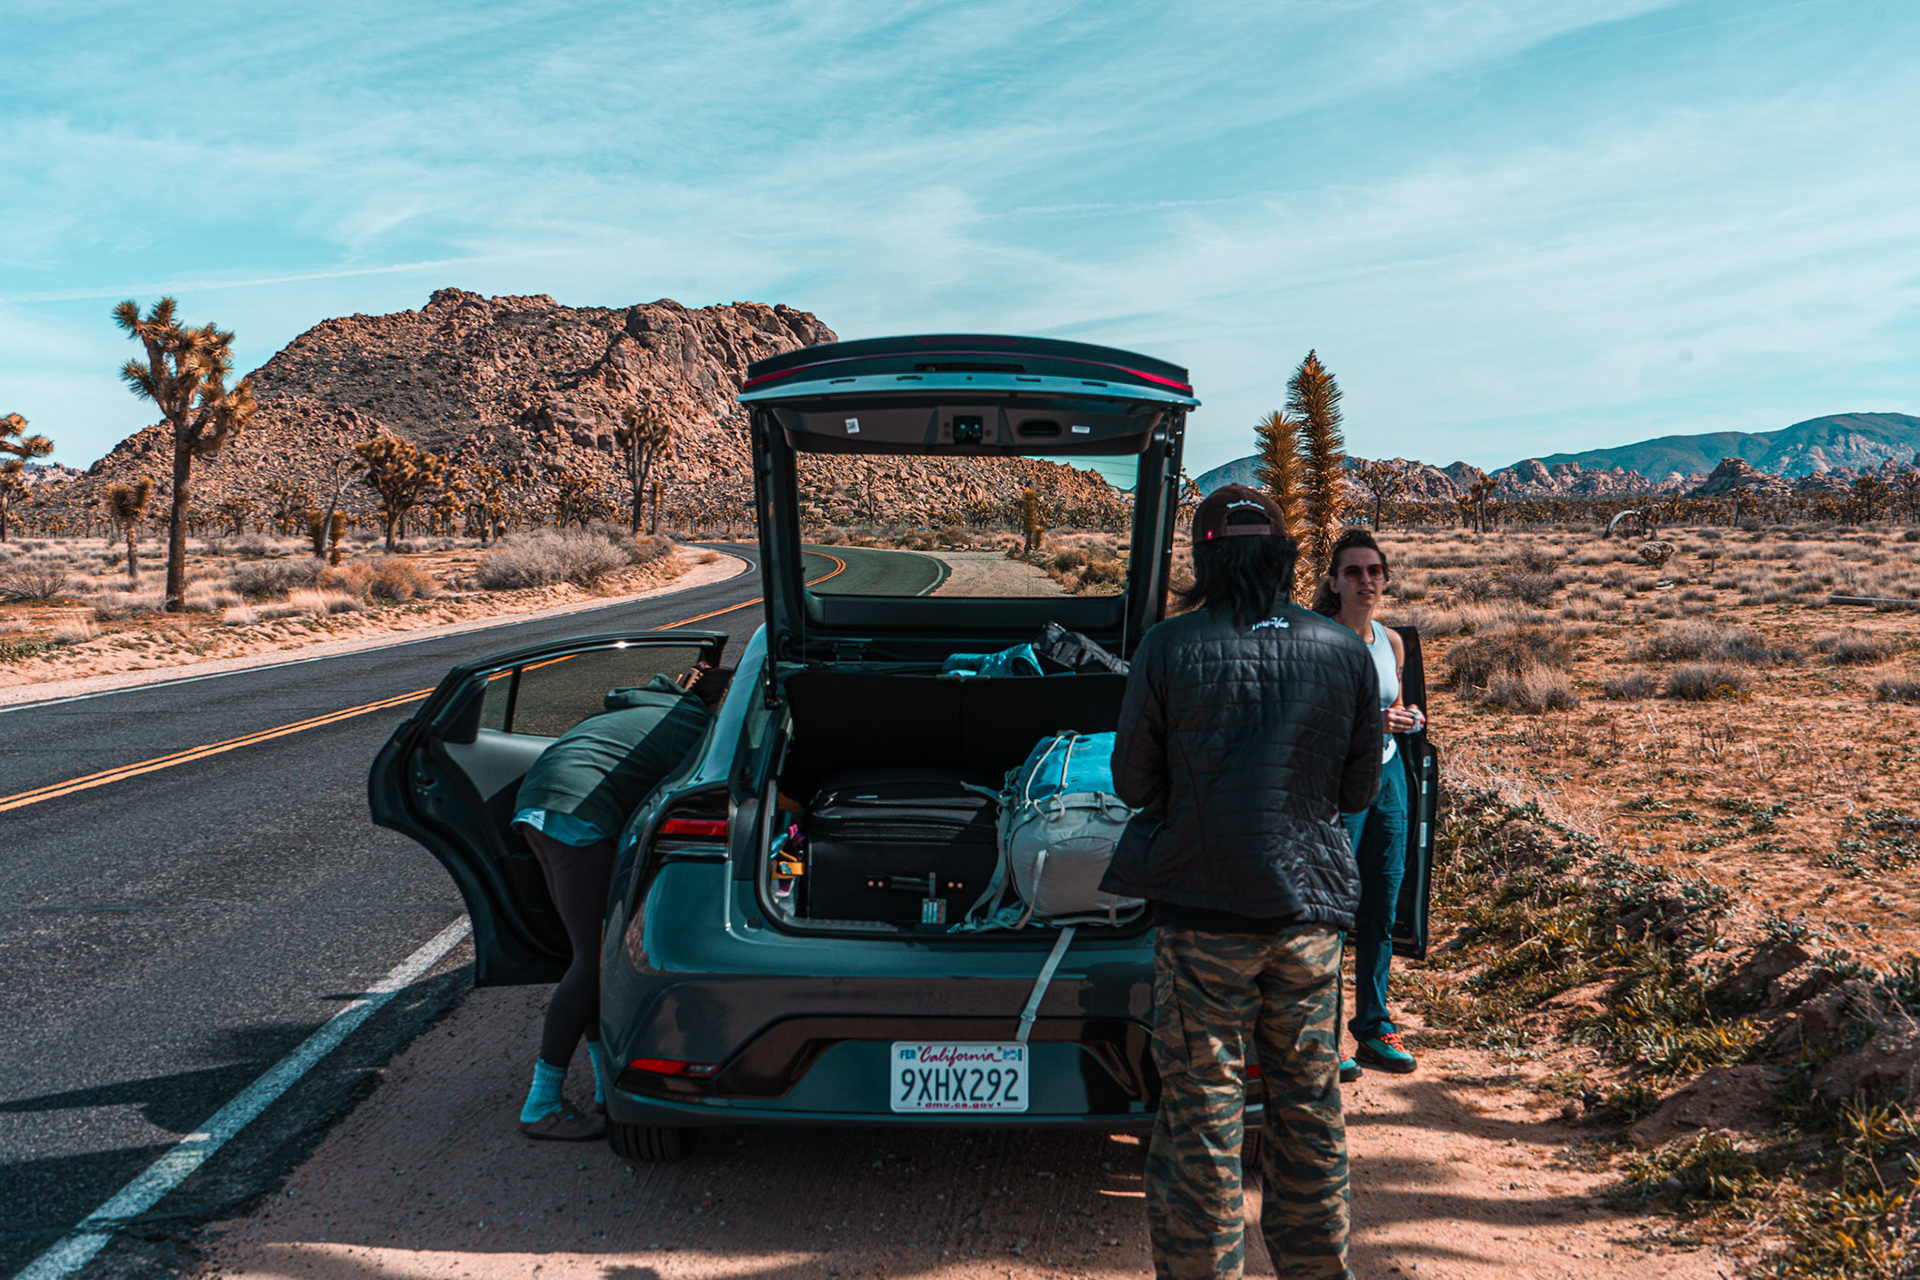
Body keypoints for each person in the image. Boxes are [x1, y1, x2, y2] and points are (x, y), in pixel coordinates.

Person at [1103, 485, 1382, 1280]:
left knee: (1202, 1119)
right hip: (1306, 921)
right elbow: (1359, 789)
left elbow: (1132, 781)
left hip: (1202, 919)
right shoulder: (1342, 650)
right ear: (1284, 558)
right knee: (1309, 1111)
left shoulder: (1168, 646)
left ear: (1206, 558)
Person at [510, 661, 732, 1140]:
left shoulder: (649, 706)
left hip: (541, 804)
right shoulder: (689, 725)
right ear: (720, 702)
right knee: (593, 963)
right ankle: (542, 1104)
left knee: (589, 957)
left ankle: (603, 1088)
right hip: (578, 812)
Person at [1312, 529, 1422, 1078]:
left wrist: (1406, 719)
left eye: (1374, 571)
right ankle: (1323, 1035)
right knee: (1332, 908)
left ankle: (1375, 1028)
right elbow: (1307, 719)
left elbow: (1395, 703)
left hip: (1388, 775)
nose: (1365, 581)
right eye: (1353, 572)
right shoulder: (1317, 640)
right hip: (1337, 781)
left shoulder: (1391, 641)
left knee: (1381, 903)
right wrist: (1371, 722)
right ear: (1333, 582)